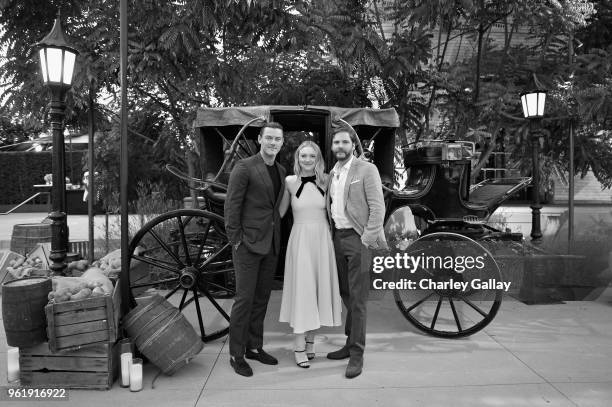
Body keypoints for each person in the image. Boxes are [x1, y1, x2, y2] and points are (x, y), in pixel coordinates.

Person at [224, 122, 286, 377]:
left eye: (277, 139)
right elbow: (231, 206)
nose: (273, 143)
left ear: (282, 142)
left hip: (270, 243)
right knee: (244, 299)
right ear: (260, 139)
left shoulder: (281, 170)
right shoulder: (244, 167)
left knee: (261, 299)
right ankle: (236, 354)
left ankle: (254, 347)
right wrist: (236, 240)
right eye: (269, 138)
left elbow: (275, 208)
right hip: (247, 244)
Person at [325, 127, 388, 379]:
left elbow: (377, 208)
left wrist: (366, 239)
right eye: (336, 143)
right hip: (337, 238)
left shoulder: (366, 169)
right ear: (332, 147)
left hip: (358, 239)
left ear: (353, 145)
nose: (340, 146)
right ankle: (350, 344)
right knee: (345, 292)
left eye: (344, 142)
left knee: (358, 300)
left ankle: (357, 354)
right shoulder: (333, 173)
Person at [279, 141, 342, 369]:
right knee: (302, 291)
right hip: (301, 239)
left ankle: (310, 342)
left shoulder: (327, 179)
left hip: (322, 240)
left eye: (311, 156)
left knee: (317, 290)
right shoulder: (289, 181)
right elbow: (280, 212)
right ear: (297, 158)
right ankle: (298, 346)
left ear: (318, 159)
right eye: (303, 155)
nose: (307, 159)